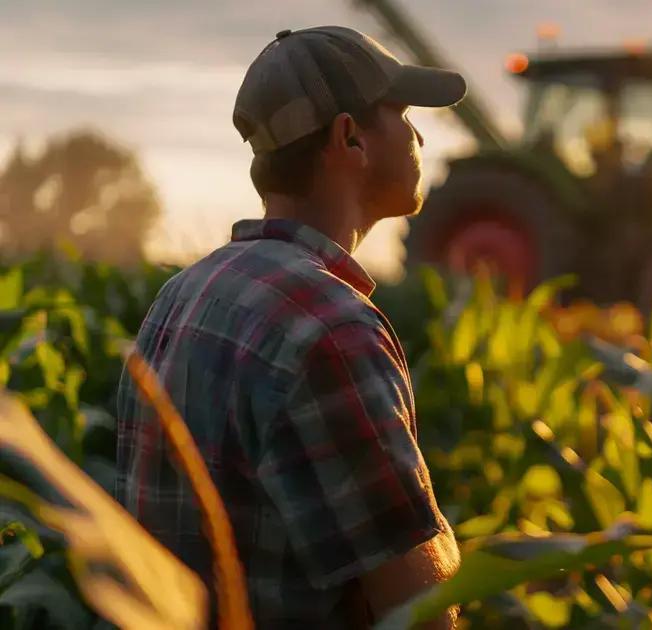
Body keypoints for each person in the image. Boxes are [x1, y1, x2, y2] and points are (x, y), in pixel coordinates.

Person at [115, 26, 465, 628]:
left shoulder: (182, 296)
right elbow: (420, 608)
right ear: (349, 138)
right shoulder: (330, 328)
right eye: (402, 114)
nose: (418, 134)